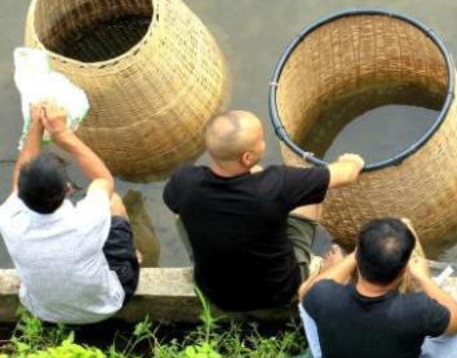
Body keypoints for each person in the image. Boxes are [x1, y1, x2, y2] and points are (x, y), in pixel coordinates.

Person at [163, 110, 365, 313]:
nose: (264, 142)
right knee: (311, 199)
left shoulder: (184, 180)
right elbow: (346, 175)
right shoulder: (275, 184)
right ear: (247, 157)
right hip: (279, 291)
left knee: (180, 209)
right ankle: (324, 270)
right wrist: (352, 161)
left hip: (217, 294)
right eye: (261, 140)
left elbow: (172, 202)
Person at [299, 218, 457, 358]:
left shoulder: (325, 296)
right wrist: (426, 280)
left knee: (307, 301)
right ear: (403, 271)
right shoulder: (416, 309)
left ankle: (335, 270)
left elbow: (306, 293)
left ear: (358, 257)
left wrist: (352, 258)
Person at [0, 103, 139, 324]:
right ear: (68, 189)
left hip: (42, 308)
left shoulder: (8, 218)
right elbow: (104, 180)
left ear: (21, 195)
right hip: (106, 304)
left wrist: (35, 128)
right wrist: (63, 135)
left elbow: (20, 176)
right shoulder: (86, 220)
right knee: (113, 202)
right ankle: (132, 255)